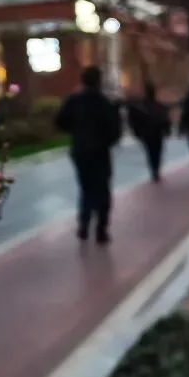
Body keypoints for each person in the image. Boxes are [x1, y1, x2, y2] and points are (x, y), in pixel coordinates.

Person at [54, 65, 123, 244]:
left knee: (85, 188)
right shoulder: (104, 102)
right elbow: (115, 131)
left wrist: (76, 131)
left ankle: (84, 225)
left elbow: (59, 121)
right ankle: (101, 229)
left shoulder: (74, 100)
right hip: (100, 151)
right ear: (99, 81)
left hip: (80, 150)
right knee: (102, 190)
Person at [127, 82, 172, 182]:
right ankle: (156, 169)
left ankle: (154, 170)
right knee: (157, 151)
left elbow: (134, 120)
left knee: (151, 151)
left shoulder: (141, 107)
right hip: (157, 132)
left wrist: (137, 131)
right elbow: (165, 119)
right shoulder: (159, 106)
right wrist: (167, 130)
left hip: (147, 133)